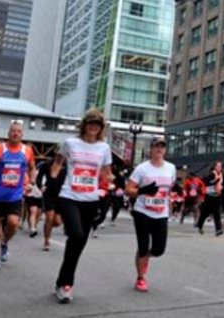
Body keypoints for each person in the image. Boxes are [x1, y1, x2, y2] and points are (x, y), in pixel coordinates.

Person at [53, 108, 113, 304]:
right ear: (84, 125)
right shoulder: (70, 143)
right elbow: (57, 163)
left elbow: (106, 173)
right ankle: (67, 284)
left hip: (90, 199)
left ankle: (62, 282)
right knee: (76, 235)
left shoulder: (104, 148)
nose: (94, 126)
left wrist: (115, 182)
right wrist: (51, 182)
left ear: (101, 128)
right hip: (69, 195)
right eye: (91, 123)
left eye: (98, 124)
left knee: (78, 244)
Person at [125, 136, 175, 292]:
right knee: (143, 245)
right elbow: (128, 189)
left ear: (165, 150)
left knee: (159, 250)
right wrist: (143, 190)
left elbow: (169, 189)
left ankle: (144, 256)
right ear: (151, 150)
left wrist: (172, 202)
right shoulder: (142, 168)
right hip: (142, 212)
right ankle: (140, 278)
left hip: (161, 213)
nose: (159, 149)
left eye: (162, 147)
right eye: (156, 146)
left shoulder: (171, 168)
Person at [0, 122, 35, 268]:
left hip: (15, 194)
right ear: (8, 133)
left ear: (22, 135)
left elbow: (32, 168)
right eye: (13, 131)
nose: (15, 133)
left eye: (18, 131)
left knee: (13, 223)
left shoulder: (27, 151)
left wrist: (31, 182)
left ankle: (5, 242)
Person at [37, 156, 66, 251]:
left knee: (57, 222)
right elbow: (39, 177)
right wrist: (40, 186)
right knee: (49, 217)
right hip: (49, 194)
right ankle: (46, 240)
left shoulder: (68, 165)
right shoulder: (47, 164)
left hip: (62, 195)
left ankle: (47, 226)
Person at [197, 161, 224, 236]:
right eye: (218, 166)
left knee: (217, 213)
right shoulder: (212, 174)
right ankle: (200, 225)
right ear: (215, 167)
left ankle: (218, 229)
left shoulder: (221, 174)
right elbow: (205, 183)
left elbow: (220, 183)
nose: (219, 168)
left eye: (220, 166)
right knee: (205, 213)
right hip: (209, 195)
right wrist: (214, 182)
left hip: (217, 195)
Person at [24, 168, 43, 238]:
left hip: (40, 195)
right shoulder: (28, 172)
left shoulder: (42, 173)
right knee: (33, 211)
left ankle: (33, 225)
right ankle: (32, 228)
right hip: (31, 195)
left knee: (38, 213)